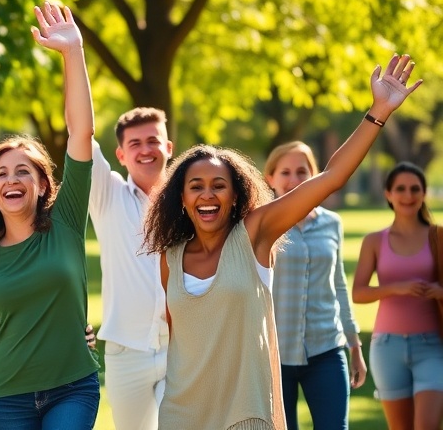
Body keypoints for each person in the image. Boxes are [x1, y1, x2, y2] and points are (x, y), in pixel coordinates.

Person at [141, 54, 422, 429]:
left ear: (236, 196)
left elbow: (331, 177)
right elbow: (182, 339)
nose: (207, 195)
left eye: (219, 186)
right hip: (182, 415)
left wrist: (378, 112)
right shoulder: (170, 258)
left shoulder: (255, 234)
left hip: (247, 413)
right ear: (181, 198)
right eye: (196, 186)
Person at [0, 2, 99, 429]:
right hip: (8, 395)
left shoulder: (67, 221)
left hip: (73, 386)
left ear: (42, 185)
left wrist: (73, 53)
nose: (12, 179)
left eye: (24, 171)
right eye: (1, 174)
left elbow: (81, 131)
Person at [262, 141, 366, 430]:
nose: (294, 180)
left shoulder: (332, 223)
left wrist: (355, 345)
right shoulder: (260, 224)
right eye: (285, 172)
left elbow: (338, 285)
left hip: (327, 349)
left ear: (314, 175)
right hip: (273, 354)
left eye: (302, 172)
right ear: (270, 178)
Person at [87, 107, 172, 430]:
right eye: (135, 143)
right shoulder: (107, 195)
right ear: (121, 155)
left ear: (169, 148)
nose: (146, 149)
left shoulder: (191, 200)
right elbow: (81, 132)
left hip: (181, 349)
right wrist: (72, 54)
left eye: (153, 140)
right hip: (125, 351)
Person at [352, 161, 443, 430]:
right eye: (400, 189)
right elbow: (358, 293)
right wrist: (396, 288)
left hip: (433, 346)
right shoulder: (374, 241)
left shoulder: (438, 237)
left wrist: (439, 292)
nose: (408, 195)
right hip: (387, 347)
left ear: (424, 193)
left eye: (415, 189)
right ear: (388, 194)